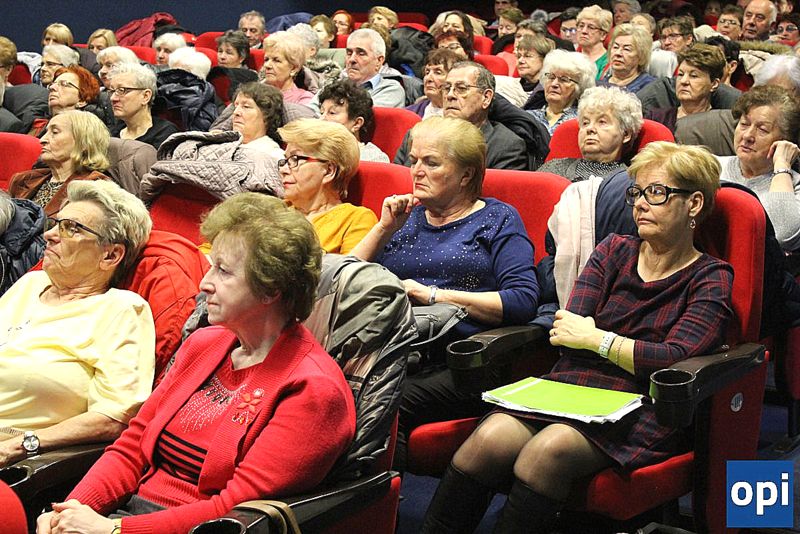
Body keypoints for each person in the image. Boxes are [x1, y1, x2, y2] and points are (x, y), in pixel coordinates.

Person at [420, 141, 734, 533]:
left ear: (694, 204)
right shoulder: (613, 250)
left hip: (642, 404)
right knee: (488, 438)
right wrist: (609, 344)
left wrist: (598, 340)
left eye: (656, 193)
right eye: (636, 192)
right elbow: (570, 330)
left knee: (547, 450)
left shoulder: (710, 276)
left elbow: (673, 358)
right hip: (570, 385)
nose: (639, 204)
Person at [36, 193, 356, 534]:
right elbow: (132, 448)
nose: (205, 283)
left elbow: (233, 510)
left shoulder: (313, 390)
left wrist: (115, 531)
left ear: (270, 289)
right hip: (122, 516)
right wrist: (70, 512)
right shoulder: (204, 344)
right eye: (211, 265)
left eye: (223, 271)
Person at [352, 116, 540, 470]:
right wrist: (383, 229)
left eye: (431, 163)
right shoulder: (406, 218)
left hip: (464, 360)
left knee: (386, 398)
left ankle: (382, 497)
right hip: (393, 350)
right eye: (413, 161)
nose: (416, 171)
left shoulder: (498, 219)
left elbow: (522, 300)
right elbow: (345, 279)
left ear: (466, 175)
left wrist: (433, 295)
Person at [0, 180, 155, 467]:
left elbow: (113, 417)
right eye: (56, 223)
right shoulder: (31, 284)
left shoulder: (121, 310)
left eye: (71, 228)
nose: (49, 235)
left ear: (110, 255)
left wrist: (19, 446)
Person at [395, 61, 530, 170]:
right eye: (446, 88)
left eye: (461, 89)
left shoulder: (506, 147)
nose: (450, 95)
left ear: (486, 98)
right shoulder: (416, 135)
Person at [717, 85, 800, 251]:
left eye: (762, 129)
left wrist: (782, 165)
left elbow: (782, 236)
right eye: (744, 124)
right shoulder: (711, 166)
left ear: (785, 140)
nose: (747, 136)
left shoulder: (794, 186)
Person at [278, 118, 377, 253]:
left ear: (329, 171)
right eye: (285, 160)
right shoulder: (275, 210)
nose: (283, 170)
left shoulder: (355, 220)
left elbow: (348, 267)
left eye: (295, 159)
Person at [9, 110, 110, 214]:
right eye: (46, 132)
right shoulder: (22, 180)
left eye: (55, 132)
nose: (42, 139)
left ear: (84, 142)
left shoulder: (95, 187)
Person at [538, 86, 643, 181]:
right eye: (585, 123)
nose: (590, 129)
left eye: (602, 122)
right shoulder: (553, 167)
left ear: (626, 134)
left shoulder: (627, 180)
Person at [645, 44, 725, 133]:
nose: (683, 81)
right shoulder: (656, 118)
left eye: (693, 76)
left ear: (714, 84)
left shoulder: (720, 125)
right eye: (680, 74)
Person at [107, 62, 178, 149]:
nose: (113, 98)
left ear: (145, 96)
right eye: (112, 91)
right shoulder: (111, 134)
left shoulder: (166, 135)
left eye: (121, 90)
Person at [319, 78, 390, 162]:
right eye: (321, 112)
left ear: (357, 123)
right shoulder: (313, 150)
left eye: (332, 113)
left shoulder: (374, 159)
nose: (322, 119)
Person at [528, 49, 596, 135]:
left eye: (564, 80)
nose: (554, 84)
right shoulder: (528, 117)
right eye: (551, 77)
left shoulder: (582, 121)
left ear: (579, 87)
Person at [342, 28, 405, 108]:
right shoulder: (335, 86)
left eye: (361, 54)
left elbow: (361, 113)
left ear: (379, 61)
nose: (351, 59)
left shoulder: (392, 90)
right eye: (349, 53)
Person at [599, 23, 655, 94]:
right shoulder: (599, 86)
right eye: (615, 47)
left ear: (641, 56)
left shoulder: (649, 88)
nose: (618, 53)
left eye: (626, 49)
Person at [407, 48, 462, 119]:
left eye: (438, 72)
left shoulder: (466, 116)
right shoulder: (408, 114)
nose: (428, 78)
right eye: (427, 72)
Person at [261, 32, 313, 106]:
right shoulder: (254, 93)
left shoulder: (304, 99)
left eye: (276, 60)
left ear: (294, 69)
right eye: (266, 59)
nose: (267, 65)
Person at [576, 5, 613, 80]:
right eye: (581, 26)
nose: (584, 31)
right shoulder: (571, 56)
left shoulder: (609, 61)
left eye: (591, 27)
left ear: (603, 35)